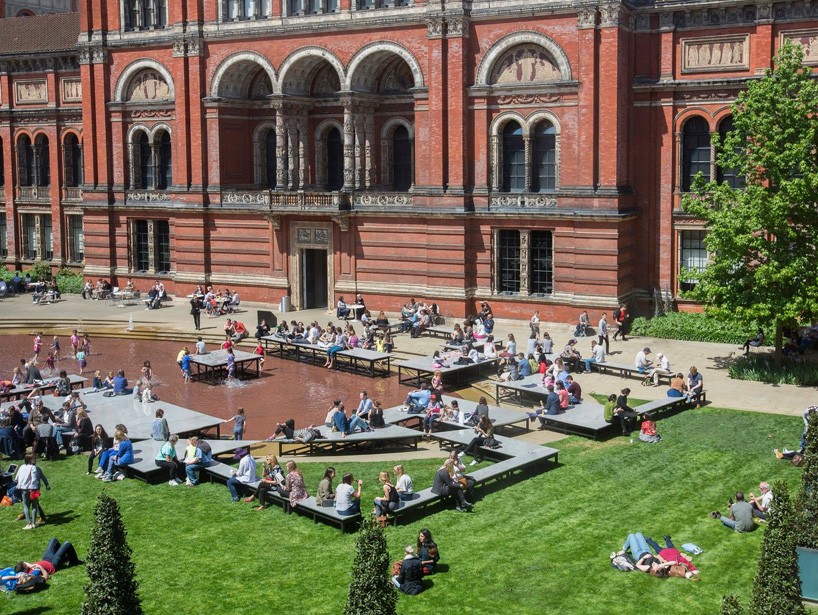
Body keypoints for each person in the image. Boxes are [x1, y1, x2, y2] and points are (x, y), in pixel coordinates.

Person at [14, 538, 84, 580]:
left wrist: (30, 565)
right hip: (53, 564)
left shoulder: (27, 567)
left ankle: (63, 558)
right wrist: (39, 567)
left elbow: (24, 562)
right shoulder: (32, 574)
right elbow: (46, 577)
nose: (26, 564)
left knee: (53, 540)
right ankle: (74, 561)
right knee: (67, 544)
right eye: (25, 566)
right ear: (24, 570)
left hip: (46, 559)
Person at [14, 454, 50, 530]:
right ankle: (34, 523)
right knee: (35, 505)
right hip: (34, 489)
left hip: (24, 489)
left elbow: (16, 478)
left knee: (26, 506)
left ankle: (29, 524)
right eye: (34, 458)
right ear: (29, 460)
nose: (35, 460)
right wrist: (45, 485)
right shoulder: (35, 468)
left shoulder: (21, 467)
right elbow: (35, 479)